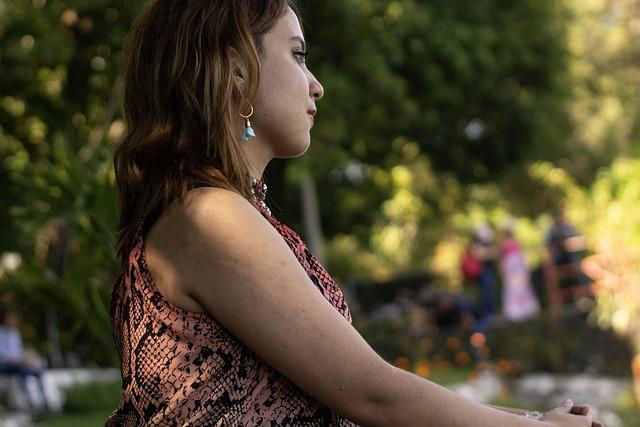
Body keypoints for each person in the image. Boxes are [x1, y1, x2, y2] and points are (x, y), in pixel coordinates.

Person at [107, 1, 602, 426]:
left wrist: (533, 418)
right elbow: (371, 394)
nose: (317, 86)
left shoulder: (214, 212)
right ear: (236, 68)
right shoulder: (208, 217)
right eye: (297, 55)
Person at [0, 309, 49, 412]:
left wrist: (27, 354)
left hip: (18, 363)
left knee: (37, 372)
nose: (12, 321)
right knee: (23, 372)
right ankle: (30, 404)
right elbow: (2, 354)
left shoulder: (15, 333)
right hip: (5, 365)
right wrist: (18, 359)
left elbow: (18, 349)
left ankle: (44, 403)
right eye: (10, 318)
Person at [499, 220, 540, 322]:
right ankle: (515, 310)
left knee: (521, 287)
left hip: (517, 266)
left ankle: (524, 309)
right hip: (511, 267)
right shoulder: (504, 243)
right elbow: (502, 257)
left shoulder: (514, 241)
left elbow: (521, 254)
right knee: (513, 287)